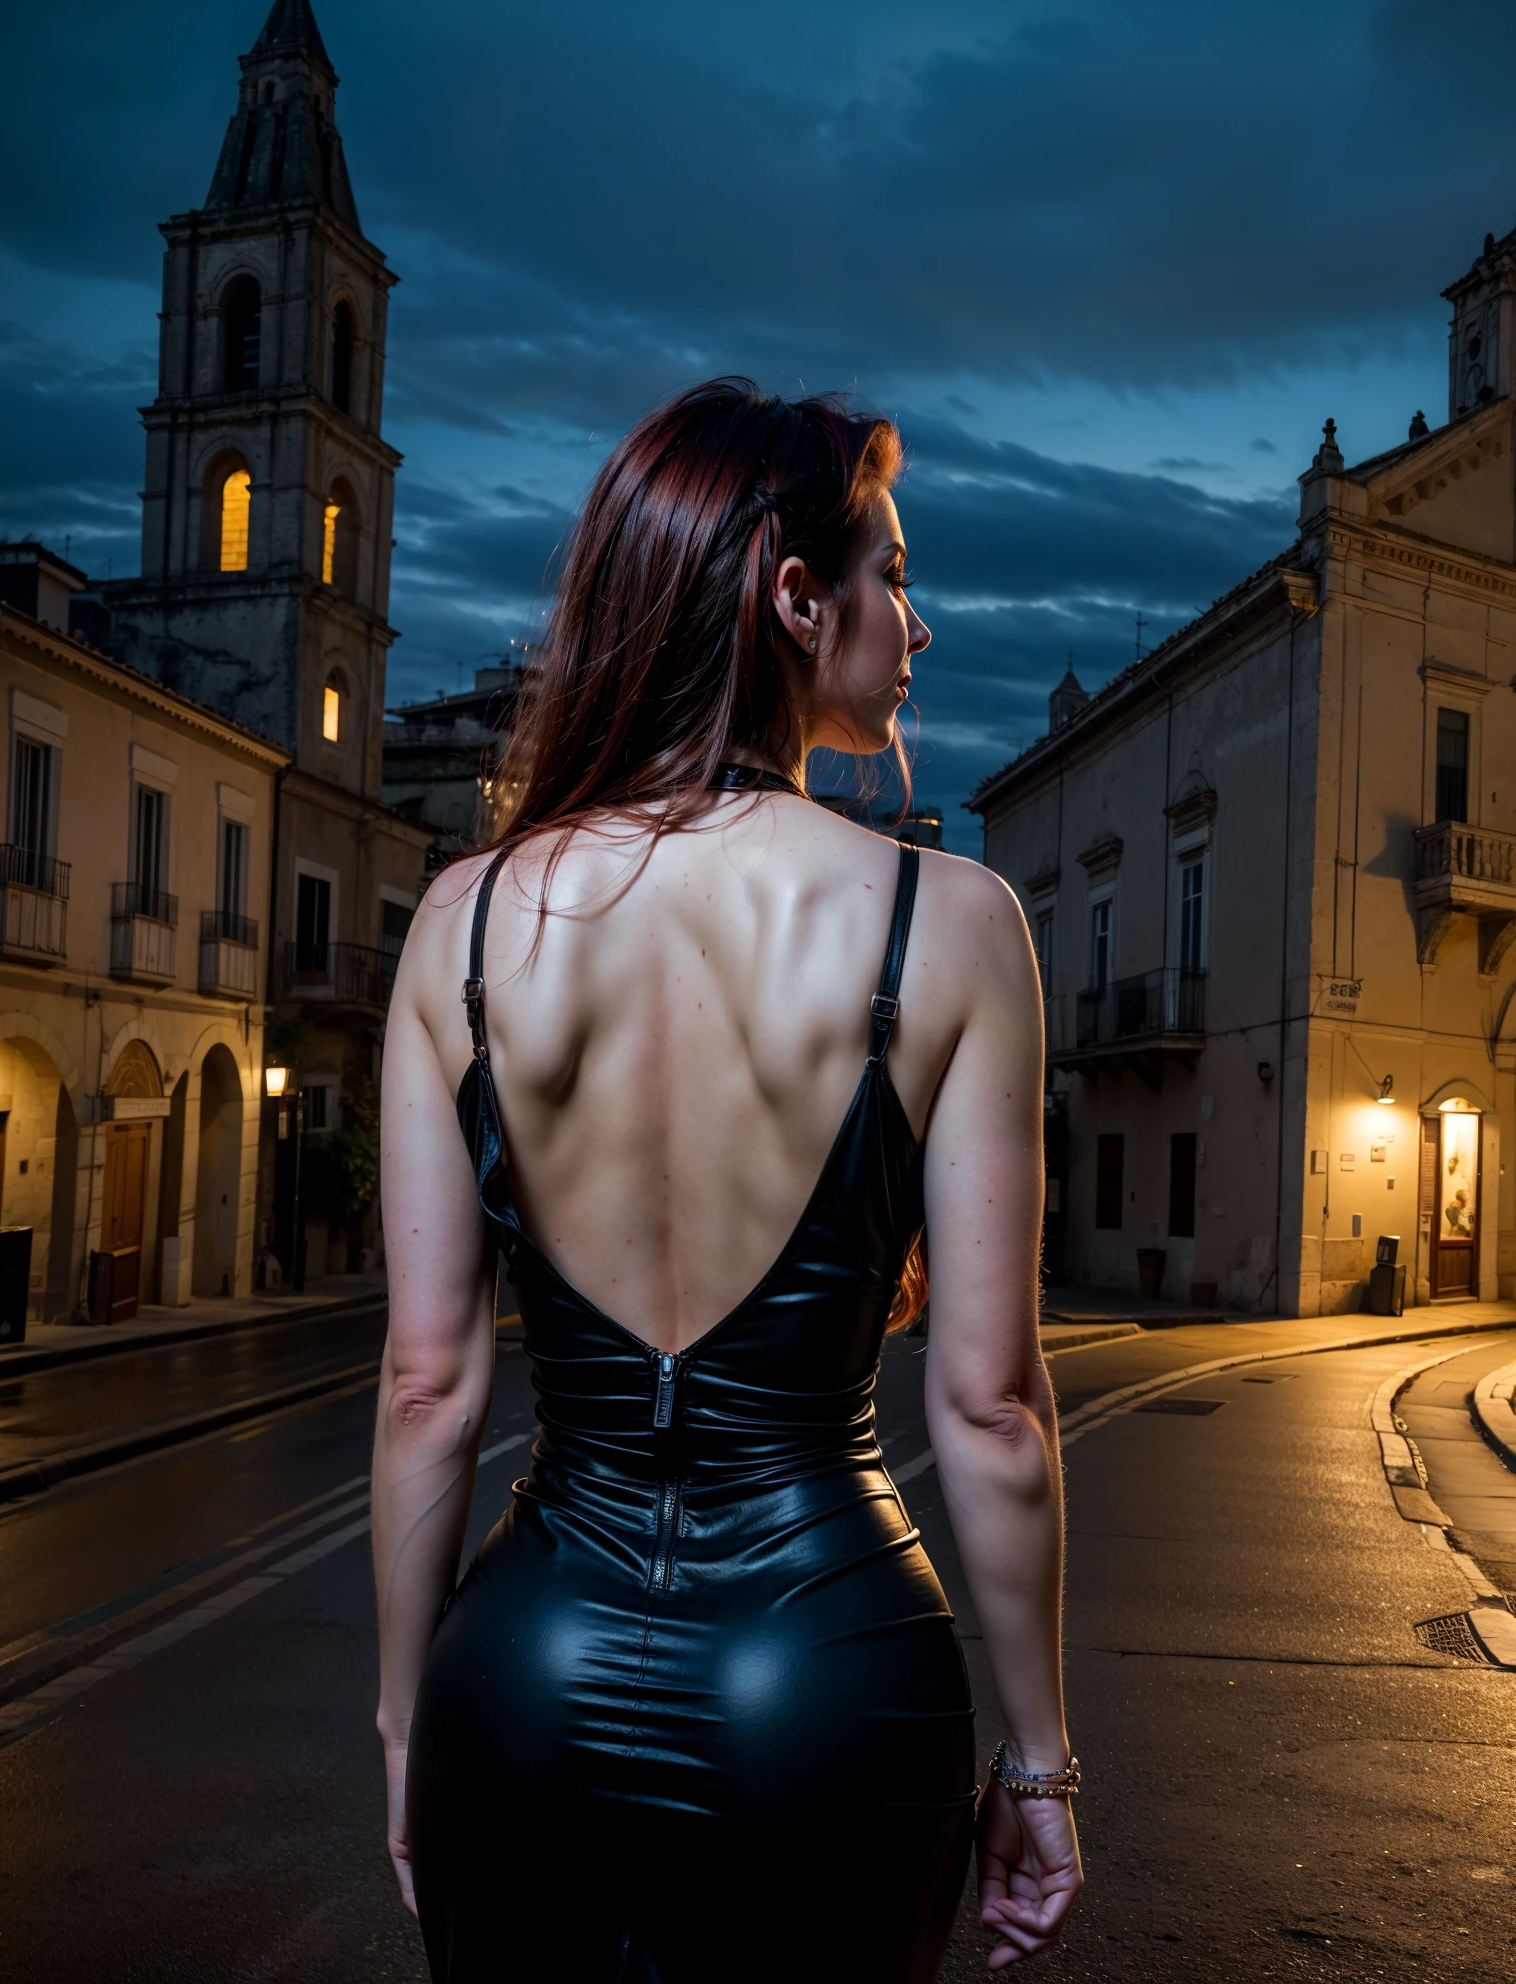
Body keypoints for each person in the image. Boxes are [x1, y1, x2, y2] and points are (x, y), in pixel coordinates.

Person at [372, 379, 1081, 1980]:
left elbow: (428, 1385)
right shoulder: (954, 927)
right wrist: (1036, 1761)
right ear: (792, 595)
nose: (919, 619)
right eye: (893, 572)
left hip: (522, 1673)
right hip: (828, 1678)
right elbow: (989, 1409)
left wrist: (412, 1712)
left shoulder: (463, 927)